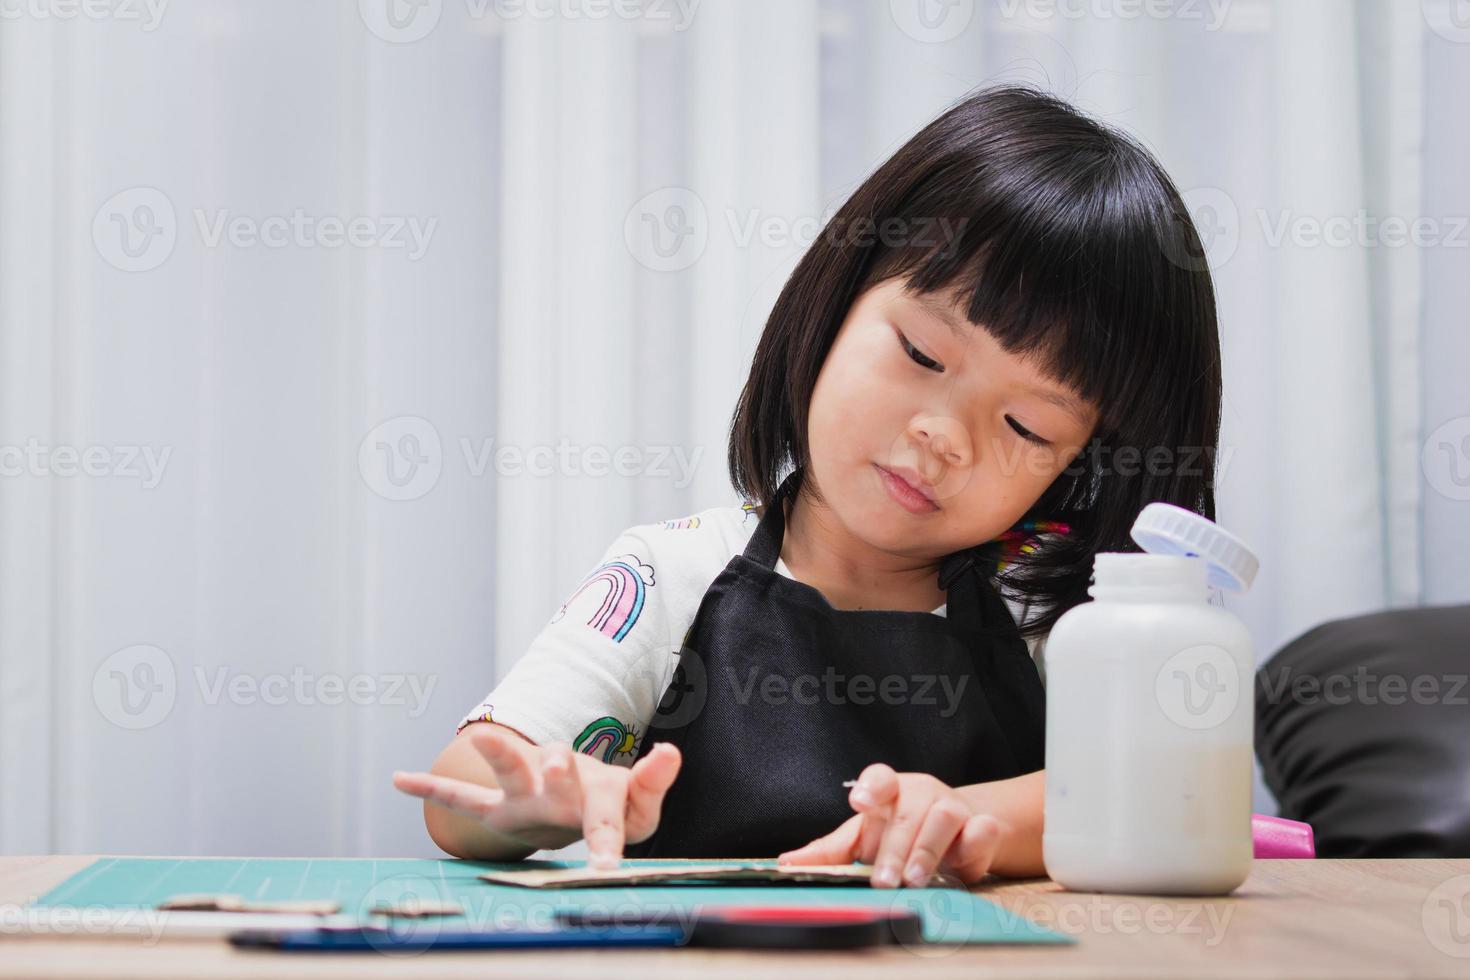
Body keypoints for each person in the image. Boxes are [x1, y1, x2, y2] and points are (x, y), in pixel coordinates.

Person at [393, 84, 1222, 890]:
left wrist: (972, 819)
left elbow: (1158, 797)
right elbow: (462, 794)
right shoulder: (672, 575)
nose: (944, 436)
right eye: (923, 355)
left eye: (1027, 428)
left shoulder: (1057, 616)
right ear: (832, 304)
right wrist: (549, 799)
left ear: (1080, 464)